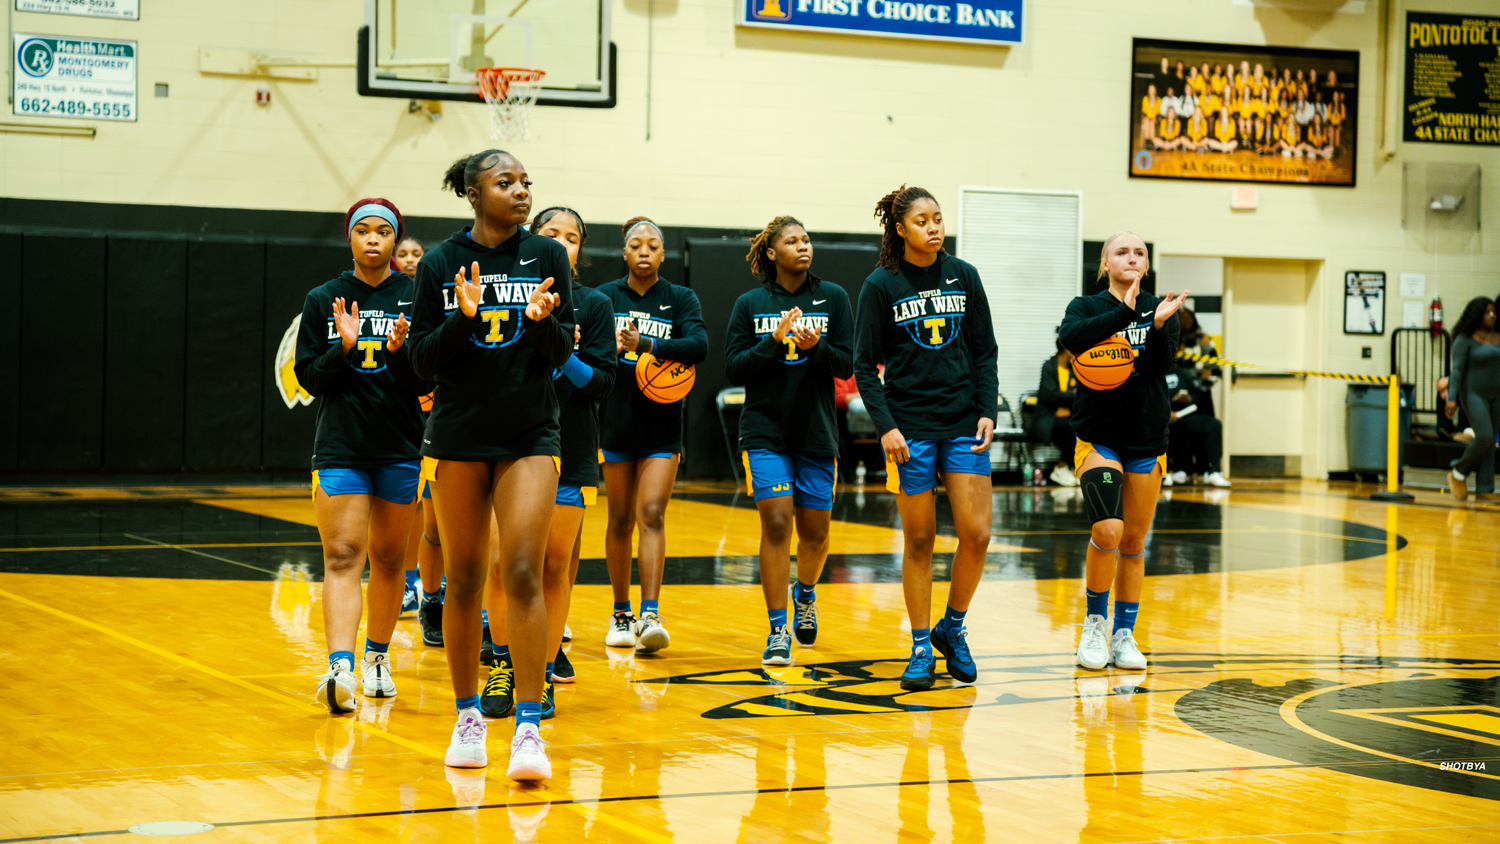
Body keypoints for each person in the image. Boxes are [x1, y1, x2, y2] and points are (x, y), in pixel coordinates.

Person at [407, 149, 574, 780]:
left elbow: (562, 353)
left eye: (526, 182)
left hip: (531, 432)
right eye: (506, 182)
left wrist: (539, 324)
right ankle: (468, 717)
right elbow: (421, 361)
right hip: (456, 435)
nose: (521, 192)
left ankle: (528, 728)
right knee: (466, 576)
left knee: (524, 569)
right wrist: (462, 320)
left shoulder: (548, 257)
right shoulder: (443, 263)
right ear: (474, 194)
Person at [854, 185, 998, 692]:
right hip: (910, 430)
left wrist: (987, 410)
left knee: (976, 534)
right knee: (919, 540)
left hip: (962, 423)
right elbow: (864, 368)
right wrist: (887, 426)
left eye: (937, 218)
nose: (933, 227)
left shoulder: (965, 276)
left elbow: (985, 351)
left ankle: (951, 627)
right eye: (921, 220)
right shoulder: (880, 285)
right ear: (901, 229)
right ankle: (919, 646)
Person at [481, 206, 619, 716]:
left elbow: (602, 383)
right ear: (529, 237)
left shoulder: (595, 305)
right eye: (550, 234)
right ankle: (502, 664)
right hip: (506, 444)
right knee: (502, 566)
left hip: (572, 446)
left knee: (555, 566)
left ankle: (538, 671)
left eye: (573, 237)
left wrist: (557, 349)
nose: (562, 243)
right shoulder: (496, 289)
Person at [294, 198, 429, 713]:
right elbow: (309, 378)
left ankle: (377, 657)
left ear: (396, 241)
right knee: (344, 556)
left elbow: (429, 381)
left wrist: (403, 354)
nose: (373, 240)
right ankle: (341, 667)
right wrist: (343, 348)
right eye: (363, 231)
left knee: (392, 558)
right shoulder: (322, 298)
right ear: (349, 238)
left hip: (399, 446)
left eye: (383, 232)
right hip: (340, 447)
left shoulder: (417, 298)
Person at [725, 216, 854, 664]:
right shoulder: (751, 303)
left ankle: (806, 592)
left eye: (806, 239)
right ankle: (777, 629)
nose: (803, 246)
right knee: (777, 524)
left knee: (815, 534)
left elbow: (846, 365)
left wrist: (817, 346)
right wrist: (774, 342)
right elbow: (734, 368)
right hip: (765, 431)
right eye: (792, 241)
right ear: (772, 252)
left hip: (817, 432)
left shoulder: (834, 298)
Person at [1059, 232, 1187, 673]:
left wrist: (1153, 325)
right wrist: (1124, 312)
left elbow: (1158, 366)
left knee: (1133, 541)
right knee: (1109, 530)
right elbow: (1071, 340)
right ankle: (1094, 624)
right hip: (1099, 438)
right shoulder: (1086, 306)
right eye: (1122, 252)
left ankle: (1124, 634)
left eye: (1140, 253)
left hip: (1147, 439)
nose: (1132, 258)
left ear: (1146, 264)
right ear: (1104, 262)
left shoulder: (1162, 309)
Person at [598, 217, 708, 652]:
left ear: (664, 255)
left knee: (651, 513)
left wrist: (647, 345)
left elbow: (698, 345)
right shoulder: (604, 296)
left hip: (662, 426)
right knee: (620, 518)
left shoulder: (680, 298)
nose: (644, 252)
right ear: (624, 253)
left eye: (652, 246)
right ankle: (620, 612)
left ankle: (650, 614)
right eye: (636, 246)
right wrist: (613, 346)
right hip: (615, 421)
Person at [1446, 297, 1500, 502]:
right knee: (1485, 436)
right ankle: (1458, 473)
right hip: (1473, 394)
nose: (1492, 315)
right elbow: (1457, 370)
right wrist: (1452, 398)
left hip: (1498, 396)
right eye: (1487, 312)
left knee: (1490, 442)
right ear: (1477, 314)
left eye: (1494, 311)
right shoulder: (1464, 339)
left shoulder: (1498, 336)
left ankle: (1485, 489)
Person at [1164, 362, 1229, 488]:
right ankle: (1166, 472)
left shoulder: (1179, 372)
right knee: (1158, 430)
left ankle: (1212, 472)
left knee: (1213, 425)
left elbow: (1195, 393)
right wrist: (1164, 413)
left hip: (1183, 416)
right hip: (1160, 419)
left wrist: (1189, 398)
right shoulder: (1150, 373)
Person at [1030, 338, 1079, 487]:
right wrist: (1071, 395)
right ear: (1066, 348)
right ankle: (1061, 468)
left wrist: (1068, 395)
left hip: (1068, 418)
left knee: (1082, 427)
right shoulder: (1049, 366)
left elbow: (1079, 394)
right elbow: (1049, 396)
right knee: (1072, 428)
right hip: (1049, 420)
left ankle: (1074, 469)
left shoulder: (1073, 369)